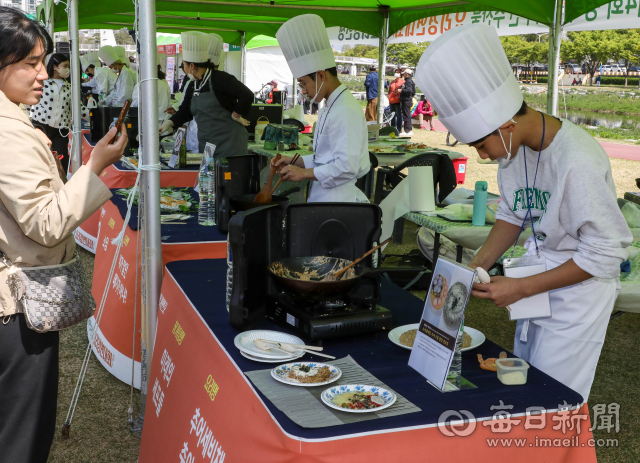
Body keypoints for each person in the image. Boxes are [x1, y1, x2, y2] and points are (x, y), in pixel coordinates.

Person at [415, 24, 632, 401]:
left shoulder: (576, 160)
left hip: (578, 290)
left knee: (553, 398)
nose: (482, 156)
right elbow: (513, 216)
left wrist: (521, 287)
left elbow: (606, 253)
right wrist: (473, 269)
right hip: (536, 276)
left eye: (481, 145)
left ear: (506, 126)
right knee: (523, 382)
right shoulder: (512, 149)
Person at [0, 8, 128, 463]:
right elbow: (46, 222)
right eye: (30, 63)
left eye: (44, 62)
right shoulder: (9, 132)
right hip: (19, 308)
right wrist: (94, 168)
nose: (43, 75)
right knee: (22, 436)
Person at [273, 14, 369, 203]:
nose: (303, 91)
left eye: (303, 83)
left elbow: (346, 167)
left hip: (339, 200)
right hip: (324, 196)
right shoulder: (331, 105)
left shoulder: (345, 110)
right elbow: (324, 159)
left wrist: (303, 174)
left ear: (321, 75)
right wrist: (293, 161)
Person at [160, 32, 253, 155]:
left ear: (192, 66)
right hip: (208, 144)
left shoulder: (220, 79)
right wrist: (169, 123)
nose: (184, 69)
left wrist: (235, 115)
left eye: (185, 65)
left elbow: (247, 95)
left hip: (230, 143)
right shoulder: (193, 85)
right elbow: (185, 111)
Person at [29, 52, 90, 172]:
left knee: (61, 160)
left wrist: (94, 118)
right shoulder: (43, 83)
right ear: (55, 67)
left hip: (61, 130)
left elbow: (78, 107)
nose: (67, 69)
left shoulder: (70, 87)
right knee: (39, 158)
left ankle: (60, 185)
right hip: (41, 125)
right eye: (65, 66)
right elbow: (28, 100)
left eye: (68, 66)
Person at [131, 52, 171, 125]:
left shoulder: (141, 85)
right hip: (164, 123)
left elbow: (136, 104)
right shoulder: (164, 83)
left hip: (147, 123)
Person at [399, 68, 415, 137]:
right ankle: (409, 130)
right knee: (407, 115)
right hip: (408, 100)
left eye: (404, 73)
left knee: (406, 116)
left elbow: (409, 91)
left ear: (407, 74)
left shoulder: (408, 81)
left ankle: (407, 130)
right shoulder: (411, 81)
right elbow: (413, 92)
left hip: (406, 100)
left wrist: (401, 91)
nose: (404, 75)